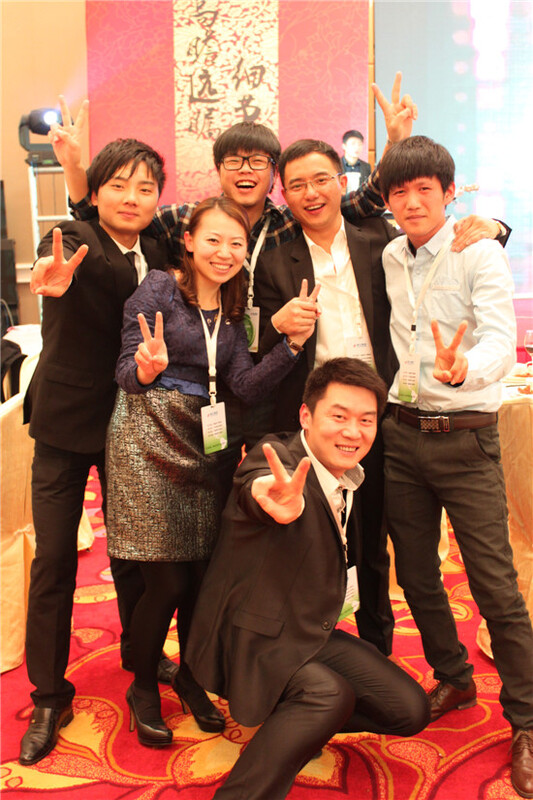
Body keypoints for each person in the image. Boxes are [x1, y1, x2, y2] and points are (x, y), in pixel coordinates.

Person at [52, 73, 505, 653]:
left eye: (260, 162)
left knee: (363, 535)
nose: (249, 171)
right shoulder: (188, 220)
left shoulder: (311, 224)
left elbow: (382, 201)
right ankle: (225, 647)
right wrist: (75, 175)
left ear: (275, 179)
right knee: (248, 525)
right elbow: (116, 219)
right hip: (230, 401)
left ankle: (363, 647)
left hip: (318, 396)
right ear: (218, 174)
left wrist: (490, 224)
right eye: (235, 161)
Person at [106, 196, 316, 748]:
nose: (225, 252)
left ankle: (192, 680)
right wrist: (146, 369)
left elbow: (243, 385)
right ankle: (144, 686)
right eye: (214, 240)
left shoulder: (234, 310)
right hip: (147, 438)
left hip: (205, 447)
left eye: (236, 243)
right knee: (167, 580)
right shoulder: (158, 287)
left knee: (200, 580)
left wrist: (291, 345)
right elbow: (126, 370)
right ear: (190, 242)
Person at [186, 357, 431, 800]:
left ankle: (291, 721)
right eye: (338, 416)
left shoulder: (349, 473)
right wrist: (273, 500)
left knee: (410, 710)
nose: (353, 432)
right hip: (251, 635)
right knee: (329, 695)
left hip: (307, 629)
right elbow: (257, 484)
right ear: (306, 415)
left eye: (366, 420)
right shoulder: (279, 458)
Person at [378, 135, 533, 799]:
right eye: (400, 191)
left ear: (448, 193)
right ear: (387, 201)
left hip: (466, 439)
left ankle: (527, 721)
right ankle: (453, 675)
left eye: (425, 189)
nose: (412, 202)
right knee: (414, 573)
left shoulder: (478, 250)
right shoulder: (389, 254)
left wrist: (464, 366)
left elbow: (501, 338)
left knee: (494, 585)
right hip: (400, 437)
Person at [19, 138, 178, 767]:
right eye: (118, 185)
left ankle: (142, 657)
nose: (132, 198)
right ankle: (48, 694)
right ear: (96, 191)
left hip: (133, 426)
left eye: (145, 188)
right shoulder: (73, 238)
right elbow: (54, 258)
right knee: (55, 560)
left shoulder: (159, 248)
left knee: (134, 554)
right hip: (66, 424)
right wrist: (47, 279)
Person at [253, 138, 399, 656]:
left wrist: (494, 228)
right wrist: (278, 325)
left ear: (342, 183)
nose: (310, 193)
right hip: (317, 422)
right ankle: (309, 651)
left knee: (372, 536)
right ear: (284, 196)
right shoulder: (275, 263)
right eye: (297, 185)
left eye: (320, 180)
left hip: (376, 415)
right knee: (311, 538)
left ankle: (378, 649)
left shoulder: (379, 239)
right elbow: (259, 347)